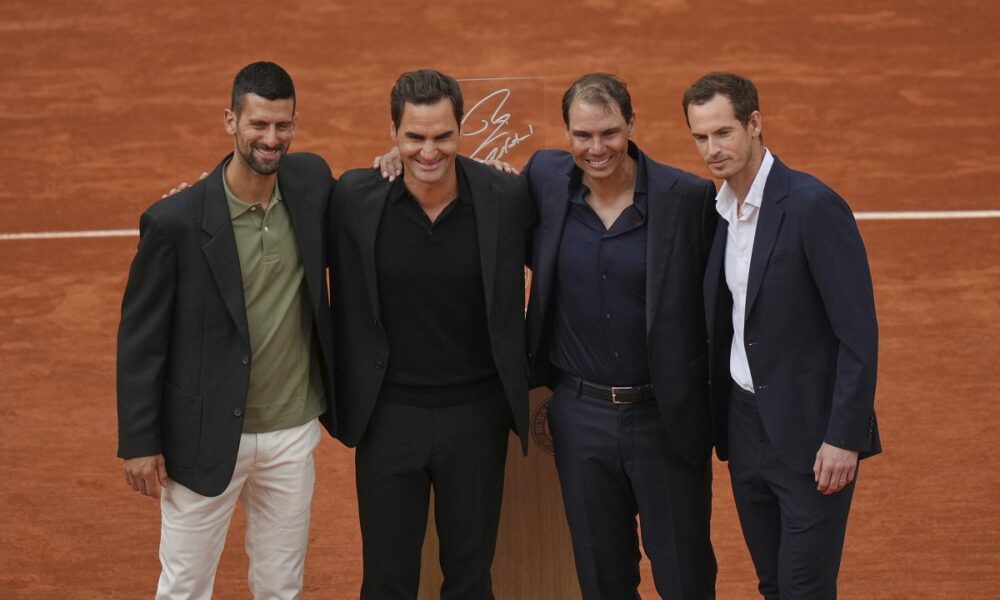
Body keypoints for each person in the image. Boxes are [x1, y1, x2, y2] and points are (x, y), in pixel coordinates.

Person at [116, 61, 337, 599]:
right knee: (185, 586)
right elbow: (141, 341)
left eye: (282, 125)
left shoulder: (311, 182)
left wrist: (394, 160)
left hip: (290, 431)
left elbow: (369, 198)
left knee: (281, 586)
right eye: (258, 124)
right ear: (230, 121)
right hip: (203, 435)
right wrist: (140, 442)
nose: (271, 138)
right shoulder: (174, 222)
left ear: (295, 123)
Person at [329, 69, 534, 599]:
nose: (428, 151)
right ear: (393, 134)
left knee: (470, 578)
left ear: (462, 129)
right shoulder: (355, 197)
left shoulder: (505, 195)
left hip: (476, 417)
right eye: (414, 137)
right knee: (387, 581)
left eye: (443, 136)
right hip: (388, 418)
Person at [684, 71, 880, 599]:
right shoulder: (719, 212)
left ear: (754, 124)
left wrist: (844, 437)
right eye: (700, 137)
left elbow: (858, 336)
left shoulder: (813, 207)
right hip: (745, 426)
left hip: (812, 434)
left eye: (723, 132)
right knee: (773, 584)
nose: (712, 149)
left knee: (803, 589)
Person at [522, 74, 718, 599]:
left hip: (666, 419)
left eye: (609, 132)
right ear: (566, 133)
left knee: (686, 579)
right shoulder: (544, 178)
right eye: (582, 135)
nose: (596, 148)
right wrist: (401, 159)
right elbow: (470, 189)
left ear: (632, 124)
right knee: (602, 580)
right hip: (580, 420)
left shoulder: (689, 198)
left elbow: (722, 303)